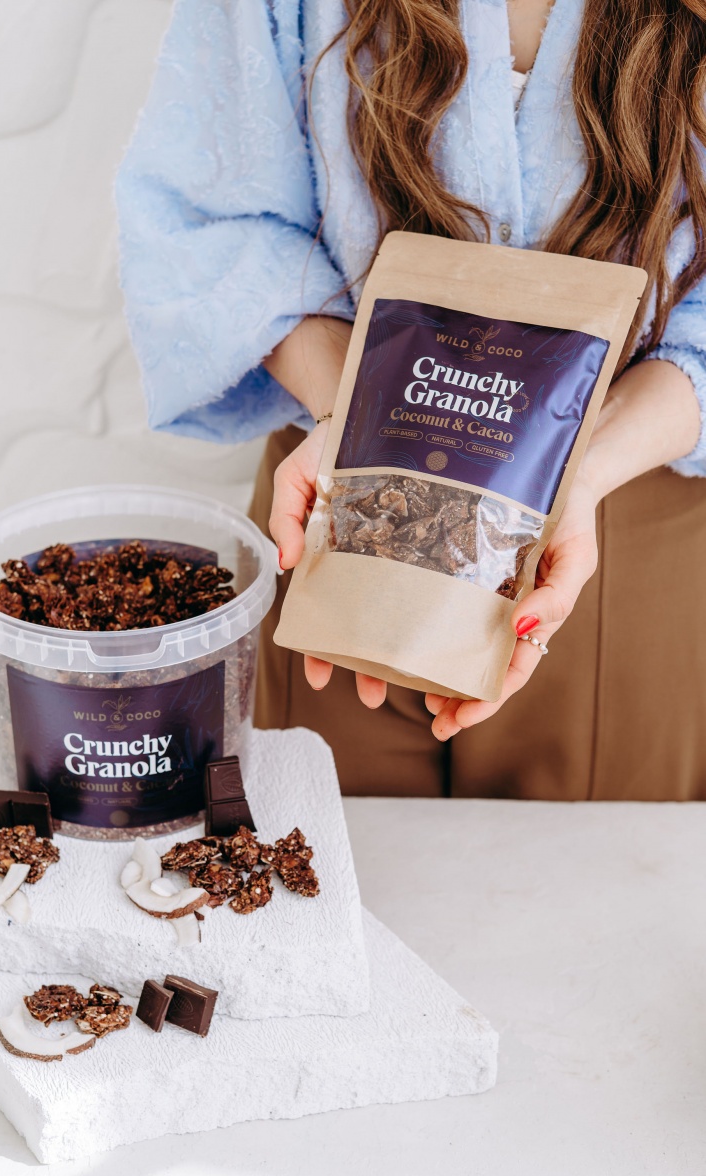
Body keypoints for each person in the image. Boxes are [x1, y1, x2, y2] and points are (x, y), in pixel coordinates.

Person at [115, 0, 706, 801]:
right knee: (325, 855)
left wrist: (579, 474)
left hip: (627, 525)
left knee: (593, 877)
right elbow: (211, 223)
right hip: (341, 501)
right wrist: (357, 424)